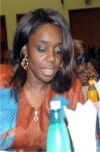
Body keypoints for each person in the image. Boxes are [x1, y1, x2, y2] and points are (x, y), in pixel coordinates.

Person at [0, 8, 86, 150]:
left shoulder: (70, 90)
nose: (52, 58)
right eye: (42, 49)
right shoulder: (3, 82)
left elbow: (88, 141)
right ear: (25, 50)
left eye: (58, 51)